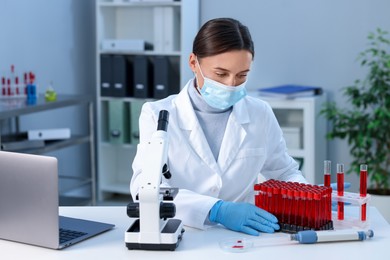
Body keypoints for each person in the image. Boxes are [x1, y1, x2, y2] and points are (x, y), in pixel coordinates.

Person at [130, 17, 307, 236]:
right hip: (182, 231)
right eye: (221, 74)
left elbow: (284, 171)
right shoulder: (158, 115)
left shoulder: (260, 113)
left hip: (245, 236)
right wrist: (217, 210)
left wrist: (308, 197)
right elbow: (144, 187)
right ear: (194, 63)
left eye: (242, 75)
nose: (231, 85)